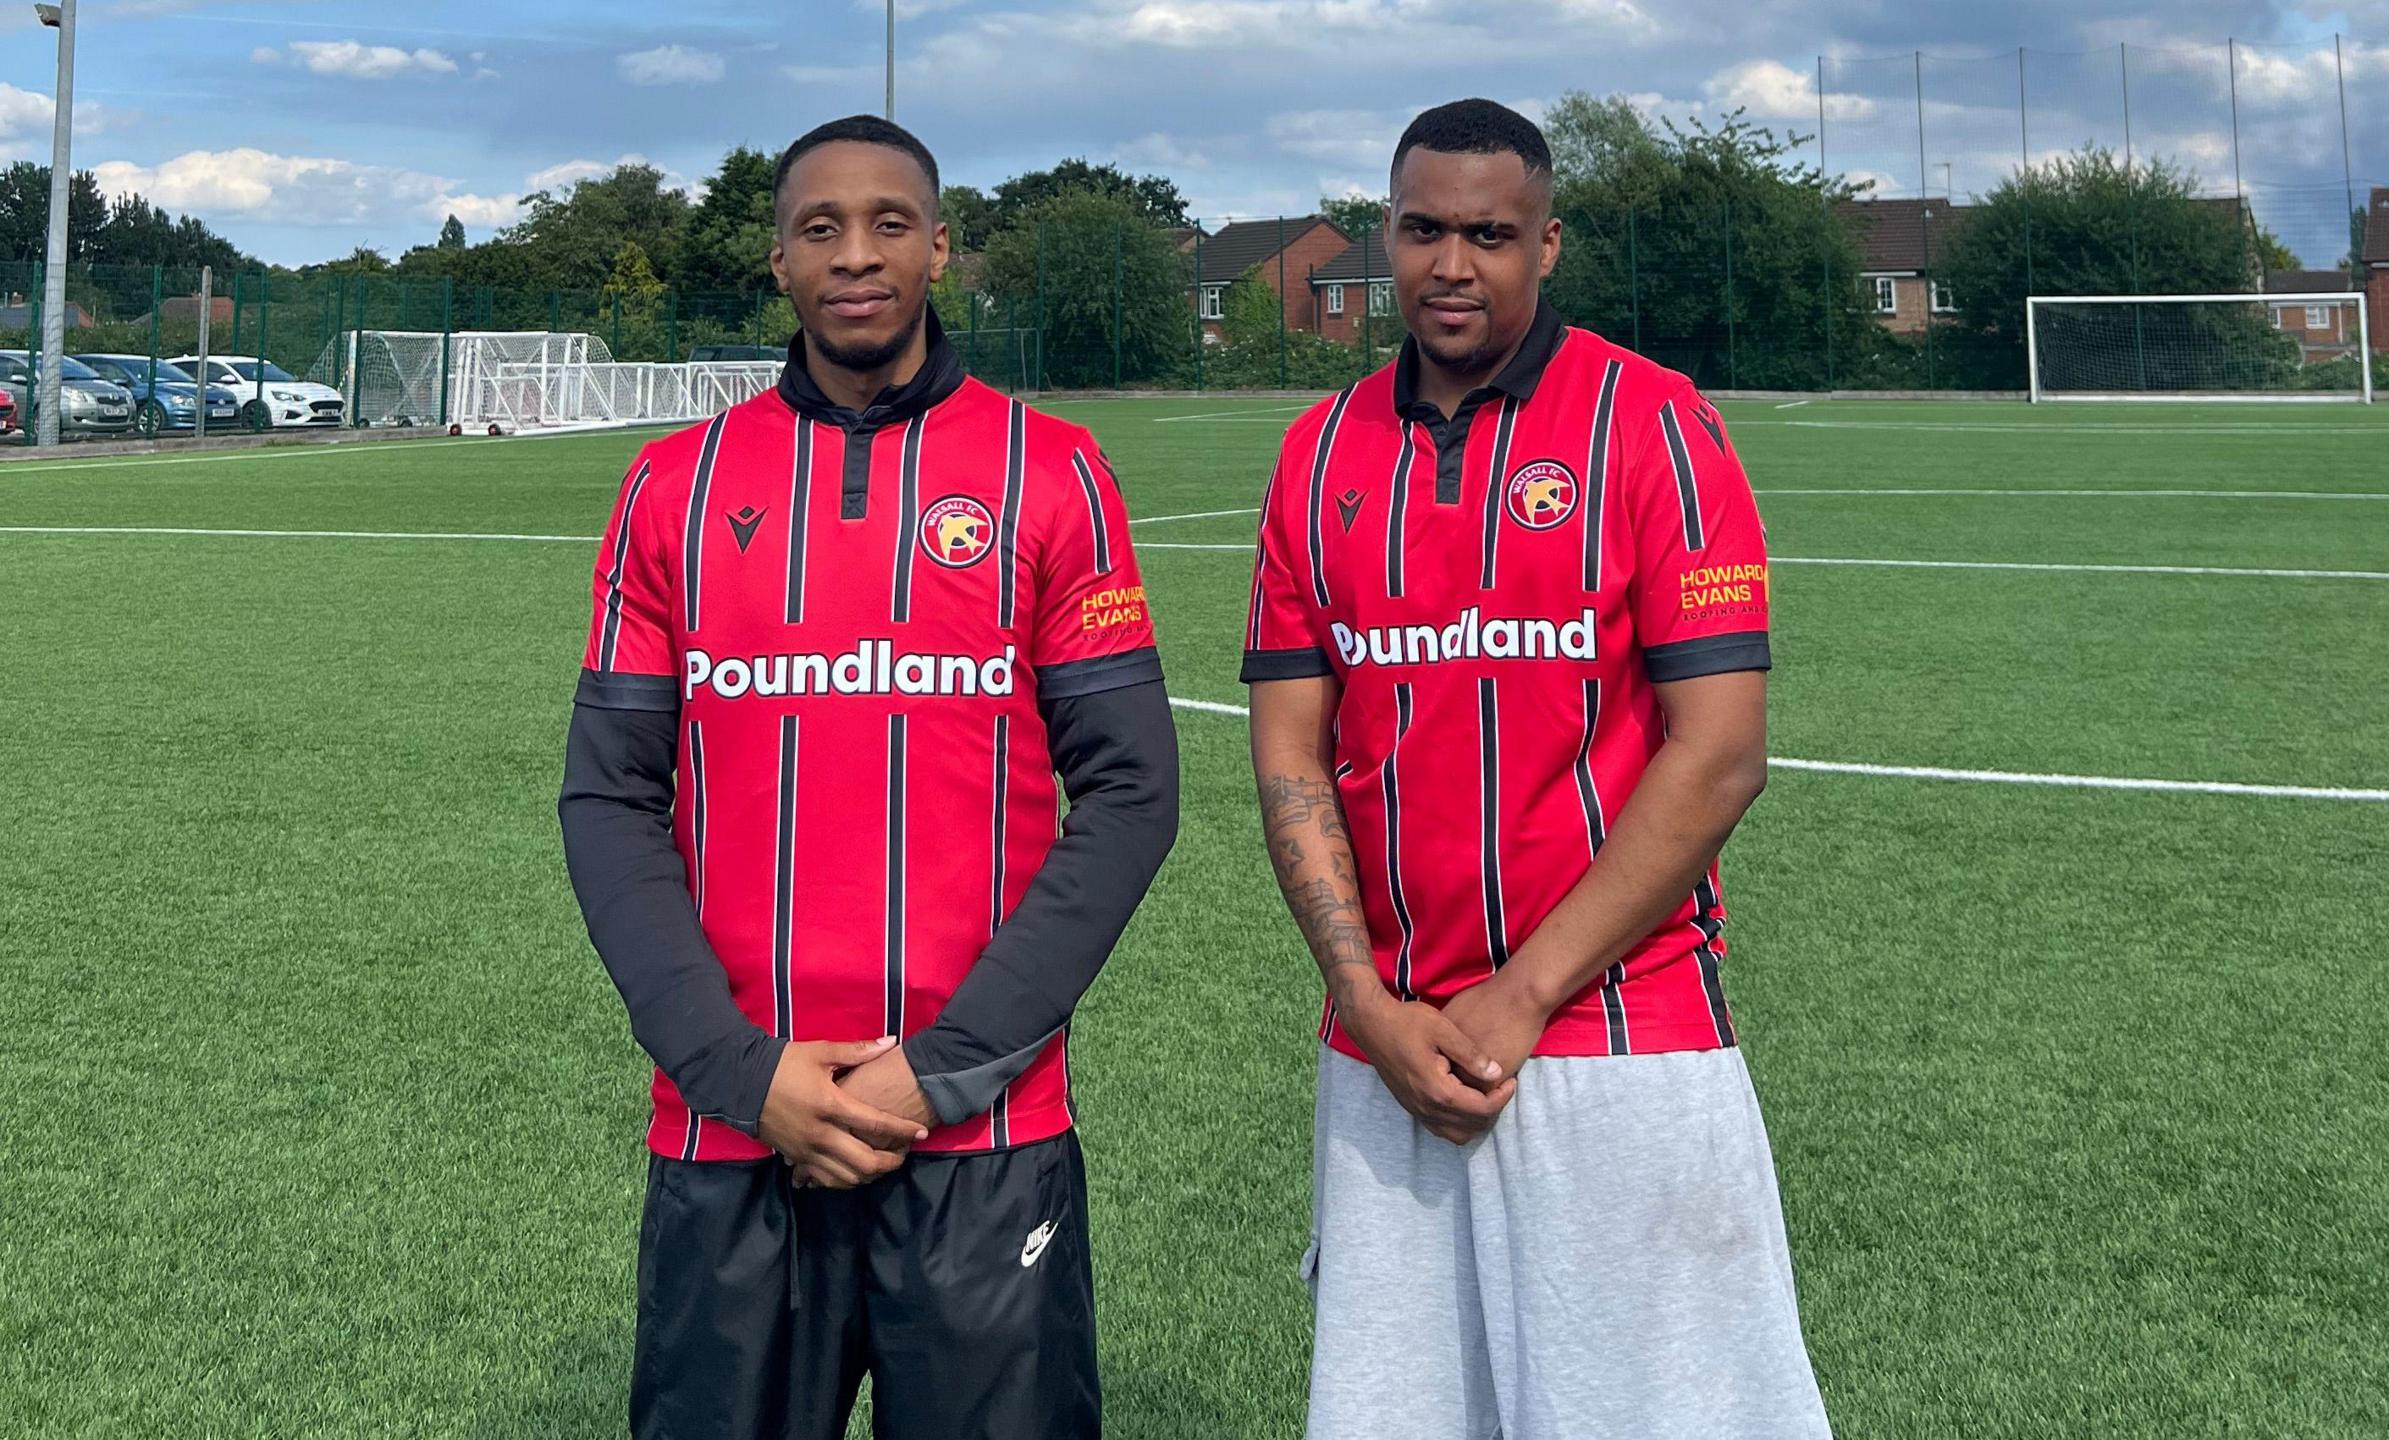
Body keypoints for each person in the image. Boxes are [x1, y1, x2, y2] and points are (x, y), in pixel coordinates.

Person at [559, 114, 1178, 1440]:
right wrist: (736, 1069)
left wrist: (944, 1068)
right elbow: (609, 798)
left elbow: (1130, 793)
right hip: (731, 1128)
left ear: (940, 248)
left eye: (889, 223)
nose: (857, 254)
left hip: (984, 1141)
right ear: (777, 260)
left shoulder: (1052, 474)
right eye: (821, 228)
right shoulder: (672, 487)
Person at [1241, 98, 1829, 1438]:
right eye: (1425, 230)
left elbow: (1721, 755)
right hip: (1384, 1055)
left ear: (1546, 244)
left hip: (1617, 1047)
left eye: (1491, 235)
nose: (1454, 265)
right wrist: (1365, 1000)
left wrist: (1522, 994)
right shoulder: (1318, 453)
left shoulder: (1656, 423)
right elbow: (1289, 755)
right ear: (1387, 237)